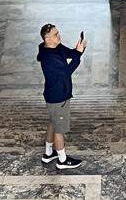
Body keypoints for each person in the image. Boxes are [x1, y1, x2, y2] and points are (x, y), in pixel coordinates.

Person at [37, 23, 86, 169]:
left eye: (58, 33)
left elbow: (70, 54)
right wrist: (79, 56)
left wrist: (78, 51)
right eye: (56, 35)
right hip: (58, 97)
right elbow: (66, 71)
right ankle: (62, 160)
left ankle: (48, 153)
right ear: (47, 38)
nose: (59, 36)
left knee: (53, 122)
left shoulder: (56, 47)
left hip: (54, 95)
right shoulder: (49, 58)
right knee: (59, 130)